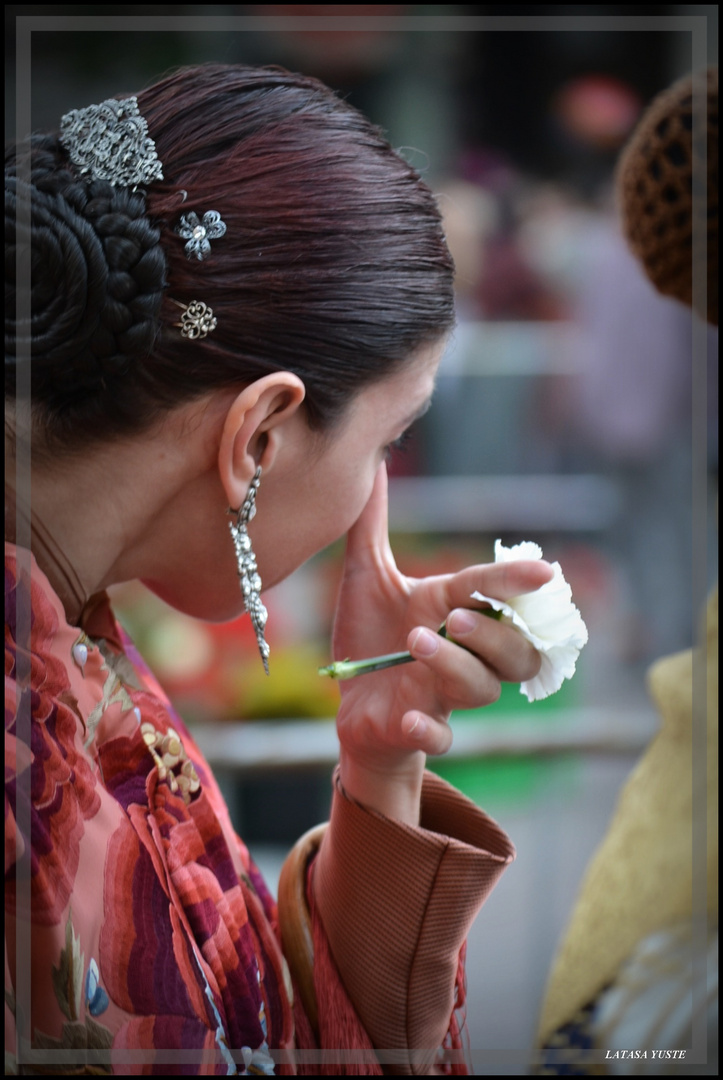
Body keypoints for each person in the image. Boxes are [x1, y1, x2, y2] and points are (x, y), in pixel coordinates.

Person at [5, 64, 553, 1075]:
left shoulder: (77, 645)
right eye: (388, 441)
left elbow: (255, 1028)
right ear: (260, 435)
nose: (373, 493)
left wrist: (381, 763)